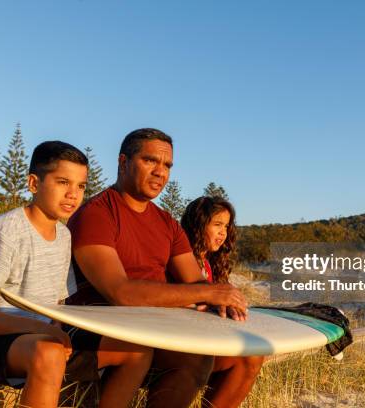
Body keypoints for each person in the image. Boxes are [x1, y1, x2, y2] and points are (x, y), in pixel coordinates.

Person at [0, 141, 153, 408]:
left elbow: (58, 307)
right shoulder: (5, 231)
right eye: (62, 182)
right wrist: (40, 329)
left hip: (41, 337)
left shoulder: (64, 235)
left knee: (136, 350)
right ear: (34, 184)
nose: (73, 194)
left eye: (81, 186)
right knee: (50, 352)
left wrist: (55, 330)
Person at [66, 128, 248, 407]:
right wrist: (207, 294)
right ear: (123, 161)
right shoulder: (98, 214)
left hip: (158, 327)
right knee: (193, 356)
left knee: (246, 356)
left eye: (167, 165)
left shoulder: (167, 223)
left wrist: (224, 299)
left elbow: (195, 282)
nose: (160, 172)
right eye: (150, 161)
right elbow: (120, 293)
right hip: (109, 330)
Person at [181, 196, 265, 408]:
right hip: (179, 345)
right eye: (217, 225)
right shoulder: (180, 259)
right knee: (249, 357)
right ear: (198, 225)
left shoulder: (209, 264)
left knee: (253, 355)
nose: (223, 233)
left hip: (206, 342)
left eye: (226, 226)